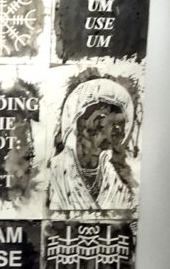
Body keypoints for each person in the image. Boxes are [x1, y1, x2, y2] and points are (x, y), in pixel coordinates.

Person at [48, 78, 136, 212]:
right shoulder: (54, 174)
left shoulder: (116, 181)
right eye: (99, 122)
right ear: (76, 124)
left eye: (117, 127)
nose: (106, 136)